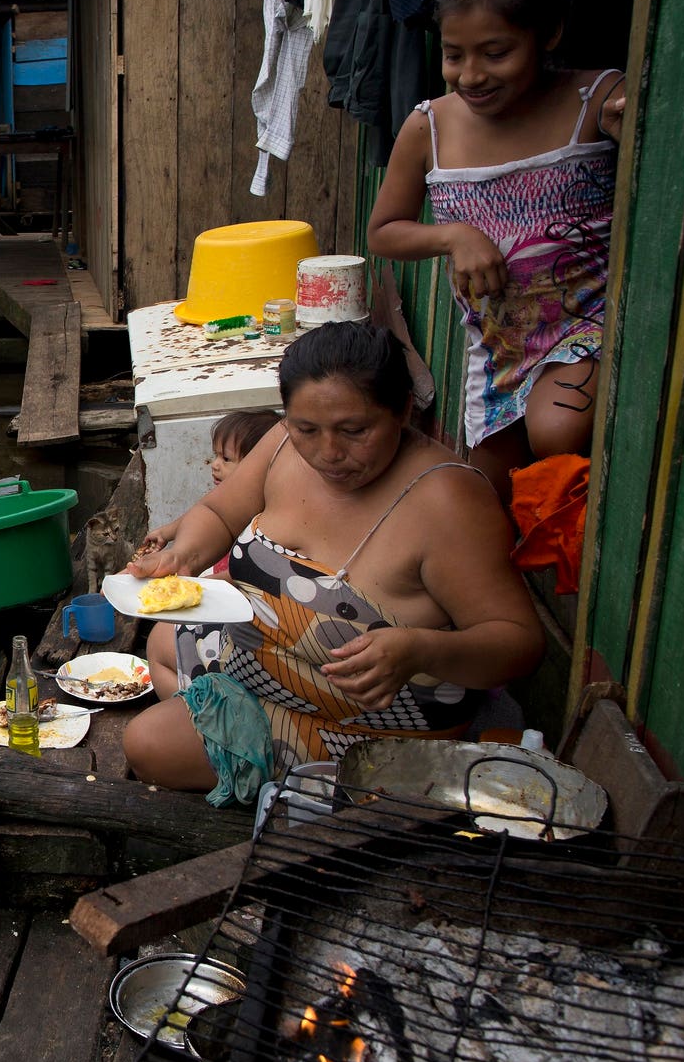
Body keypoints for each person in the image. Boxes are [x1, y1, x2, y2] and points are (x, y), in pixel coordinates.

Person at [121, 323, 544, 788]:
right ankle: (222, 729)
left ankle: (286, 772)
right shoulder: (284, 442)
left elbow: (518, 643)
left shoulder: (447, 500)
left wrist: (419, 649)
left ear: (403, 410)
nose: (328, 453)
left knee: (146, 744)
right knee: (162, 639)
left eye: (354, 430)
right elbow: (221, 513)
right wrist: (182, 557)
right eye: (307, 428)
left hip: (359, 723)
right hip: (268, 665)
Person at [366, 0, 626, 502]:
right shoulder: (429, 126)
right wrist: (453, 235)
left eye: (496, 53)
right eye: (454, 54)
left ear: (548, 34)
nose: (472, 75)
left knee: (556, 428)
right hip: (497, 346)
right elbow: (384, 230)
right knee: (482, 499)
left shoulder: (594, 100)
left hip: (586, 322)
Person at [140, 409, 284, 693]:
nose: (215, 465)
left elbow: (246, 575)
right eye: (215, 456)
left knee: (158, 640)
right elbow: (207, 510)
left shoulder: (265, 513)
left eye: (227, 459)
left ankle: (192, 713)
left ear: (260, 465)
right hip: (214, 583)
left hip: (242, 605)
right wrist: (167, 533)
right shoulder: (230, 499)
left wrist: (194, 586)